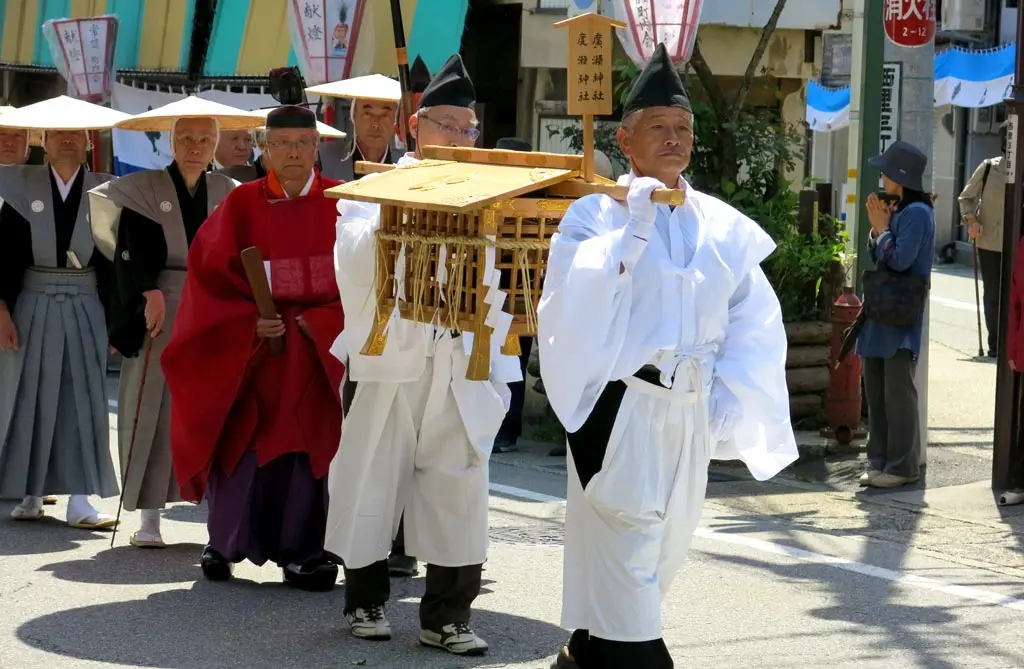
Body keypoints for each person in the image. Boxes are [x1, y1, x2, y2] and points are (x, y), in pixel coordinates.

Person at [537, 44, 798, 669]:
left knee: (657, 557)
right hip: (623, 404)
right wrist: (632, 228)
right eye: (660, 127)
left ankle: (587, 652)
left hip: (689, 411)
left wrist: (730, 401)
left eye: (683, 128)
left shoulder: (721, 224)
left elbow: (755, 317)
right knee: (628, 550)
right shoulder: (592, 215)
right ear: (626, 140)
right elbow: (575, 297)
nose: (675, 139)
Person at [326, 54, 519, 655]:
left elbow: (504, 274)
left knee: (459, 484)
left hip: (459, 358)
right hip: (391, 357)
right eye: (447, 126)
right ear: (416, 125)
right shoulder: (373, 185)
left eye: (469, 128)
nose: (461, 138)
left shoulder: (490, 188)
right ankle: (364, 601)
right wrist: (402, 212)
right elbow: (353, 261)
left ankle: (447, 615)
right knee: (370, 476)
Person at [161, 105, 345, 590]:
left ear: (316, 148)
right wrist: (249, 323)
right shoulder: (240, 205)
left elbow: (365, 282)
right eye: (281, 144)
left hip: (313, 353)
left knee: (308, 450)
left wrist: (324, 322)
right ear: (264, 148)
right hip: (255, 351)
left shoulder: (343, 204)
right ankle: (224, 543)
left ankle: (305, 552)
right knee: (244, 442)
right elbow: (208, 279)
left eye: (302, 143)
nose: (292, 153)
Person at [89, 104, 248, 548]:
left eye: (204, 140)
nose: (195, 148)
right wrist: (147, 292)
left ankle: (217, 512)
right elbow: (127, 251)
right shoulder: (145, 189)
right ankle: (150, 517)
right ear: (171, 142)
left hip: (214, 305)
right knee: (153, 406)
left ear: (216, 145)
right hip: (161, 303)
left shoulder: (229, 190)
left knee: (213, 406)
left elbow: (242, 252)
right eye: (186, 139)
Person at [0, 97, 125, 527]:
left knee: (84, 397)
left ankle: (80, 498)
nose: (68, 141)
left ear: (89, 143)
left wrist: (116, 320)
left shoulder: (107, 188)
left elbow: (112, 263)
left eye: (76, 134)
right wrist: (1, 307)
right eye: (59, 134)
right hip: (32, 298)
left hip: (85, 298)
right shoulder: (19, 185)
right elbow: (5, 255)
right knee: (29, 395)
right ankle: (31, 491)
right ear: (44, 142)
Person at [857, 140, 935, 490]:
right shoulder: (899, 210)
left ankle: (902, 466)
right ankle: (879, 461)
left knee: (897, 394)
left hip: (900, 314)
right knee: (876, 390)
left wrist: (883, 230)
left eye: (887, 171)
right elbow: (881, 257)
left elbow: (901, 260)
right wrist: (878, 230)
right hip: (882, 312)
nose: (882, 176)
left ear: (899, 176)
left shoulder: (918, 213)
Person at [492, 136, 537, 454]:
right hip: (493, 290)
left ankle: (506, 429)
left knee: (512, 360)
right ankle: (498, 427)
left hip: (521, 294)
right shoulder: (490, 194)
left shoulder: (537, 200)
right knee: (496, 361)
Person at [959, 136, 1006, 358]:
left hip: (1017, 243)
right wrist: (971, 220)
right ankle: (996, 344)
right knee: (994, 294)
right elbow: (965, 197)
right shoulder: (988, 167)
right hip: (989, 242)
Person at [311, 74, 402, 181]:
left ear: (396, 119)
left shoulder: (406, 164)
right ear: (353, 115)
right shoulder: (324, 157)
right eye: (367, 114)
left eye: (385, 115)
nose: (375, 124)